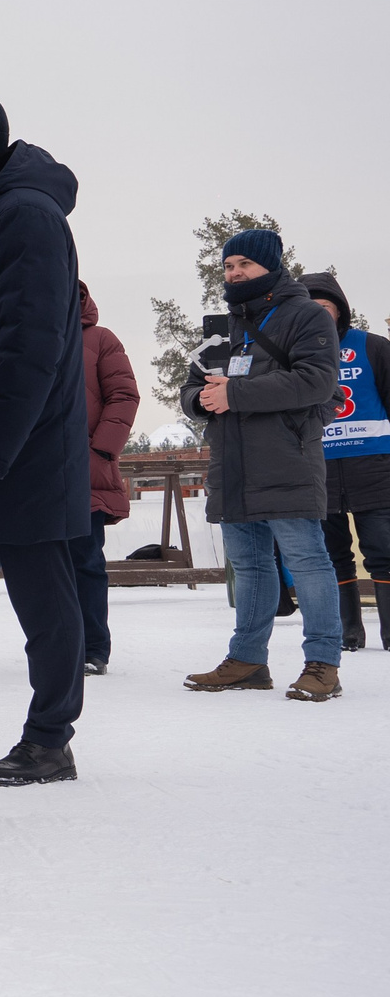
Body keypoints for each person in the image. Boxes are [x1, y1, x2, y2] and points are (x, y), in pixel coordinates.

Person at [0, 90, 91, 784]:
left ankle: (50, 735)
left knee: (42, 597)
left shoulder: (24, 216)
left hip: (20, 449)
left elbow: (28, 347)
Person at [181, 229, 346, 698]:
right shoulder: (220, 327)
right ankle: (248, 661)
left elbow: (315, 382)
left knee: (309, 562)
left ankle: (322, 664)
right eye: (228, 266)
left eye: (244, 266)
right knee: (250, 568)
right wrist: (201, 400)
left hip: (287, 461)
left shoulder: (307, 315)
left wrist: (234, 393)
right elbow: (192, 388)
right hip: (232, 465)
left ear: (270, 267)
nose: (234, 274)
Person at [304, 272, 390, 653]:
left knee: (383, 551)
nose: (319, 314)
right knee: (332, 555)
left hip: (375, 467)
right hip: (317, 470)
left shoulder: (373, 347)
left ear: (339, 310)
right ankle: (348, 633)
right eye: (310, 308)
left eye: (324, 306)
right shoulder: (293, 357)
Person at [74, 283, 140, 675]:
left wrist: (100, 449)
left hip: (86, 470)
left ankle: (93, 647)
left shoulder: (100, 339)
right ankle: (58, 644)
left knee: (85, 561)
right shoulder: (20, 331)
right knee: (42, 567)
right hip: (32, 470)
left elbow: (124, 394)